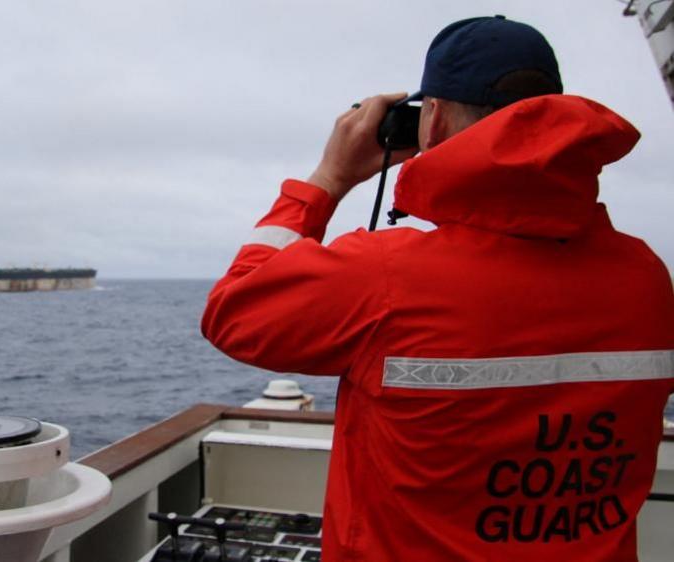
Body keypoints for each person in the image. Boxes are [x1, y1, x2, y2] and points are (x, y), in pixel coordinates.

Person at [201, 15, 674, 561]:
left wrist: (327, 179)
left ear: (434, 119)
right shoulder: (646, 277)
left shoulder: (385, 277)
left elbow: (233, 310)